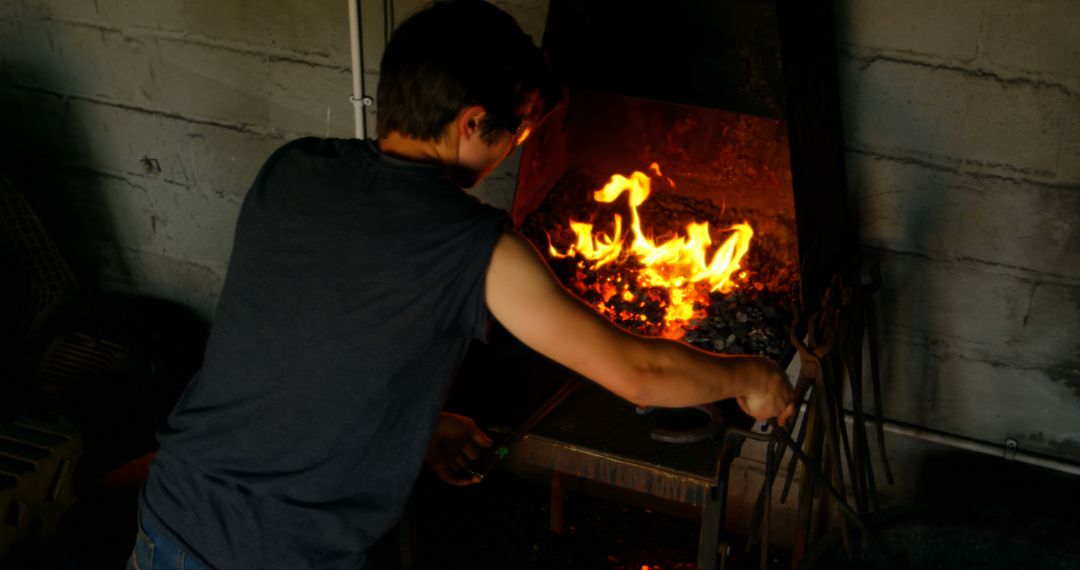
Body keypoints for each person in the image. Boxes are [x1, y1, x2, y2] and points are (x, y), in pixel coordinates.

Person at [129, 1, 795, 569]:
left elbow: (308, 347)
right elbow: (640, 373)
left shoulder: (291, 169)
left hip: (170, 519)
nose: (516, 147)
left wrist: (415, 431)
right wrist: (747, 376)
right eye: (520, 129)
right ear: (472, 123)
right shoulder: (474, 247)